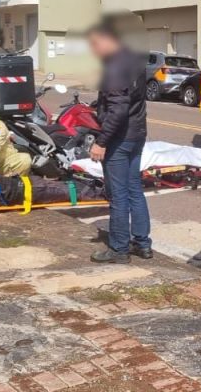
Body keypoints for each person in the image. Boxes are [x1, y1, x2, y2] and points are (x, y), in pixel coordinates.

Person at [87, 18, 151, 264]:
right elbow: (131, 100)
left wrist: (101, 141)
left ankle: (119, 249)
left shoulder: (114, 66)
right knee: (135, 189)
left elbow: (119, 108)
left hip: (121, 138)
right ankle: (142, 244)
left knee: (119, 195)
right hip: (137, 135)